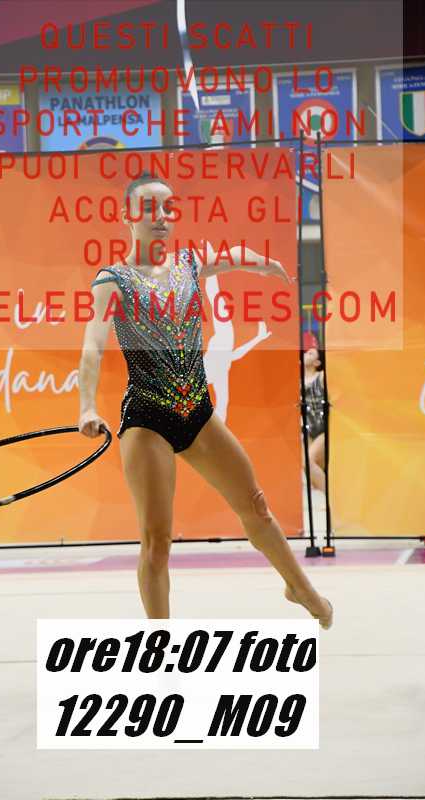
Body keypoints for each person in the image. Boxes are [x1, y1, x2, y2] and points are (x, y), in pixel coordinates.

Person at [78, 172, 333, 627]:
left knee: (255, 505)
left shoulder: (188, 263)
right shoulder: (112, 281)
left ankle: (300, 588)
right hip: (148, 419)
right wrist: (87, 407)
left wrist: (264, 263)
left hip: (197, 411)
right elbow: (92, 347)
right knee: (157, 543)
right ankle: (160, 644)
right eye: (149, 208)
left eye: (167, 208)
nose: (160, 216)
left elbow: (229, 257)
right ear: (127, 215)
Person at [303, 340, 326, 493]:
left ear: (317, 362)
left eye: (310, 353)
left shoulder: (321, 376)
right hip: (307, 429)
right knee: (313, 467)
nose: (306, 354)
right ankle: (325, 495)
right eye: (306, 352)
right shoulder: (298, 380)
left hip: (323, 428)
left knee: (308, 461)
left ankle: (331, 498)